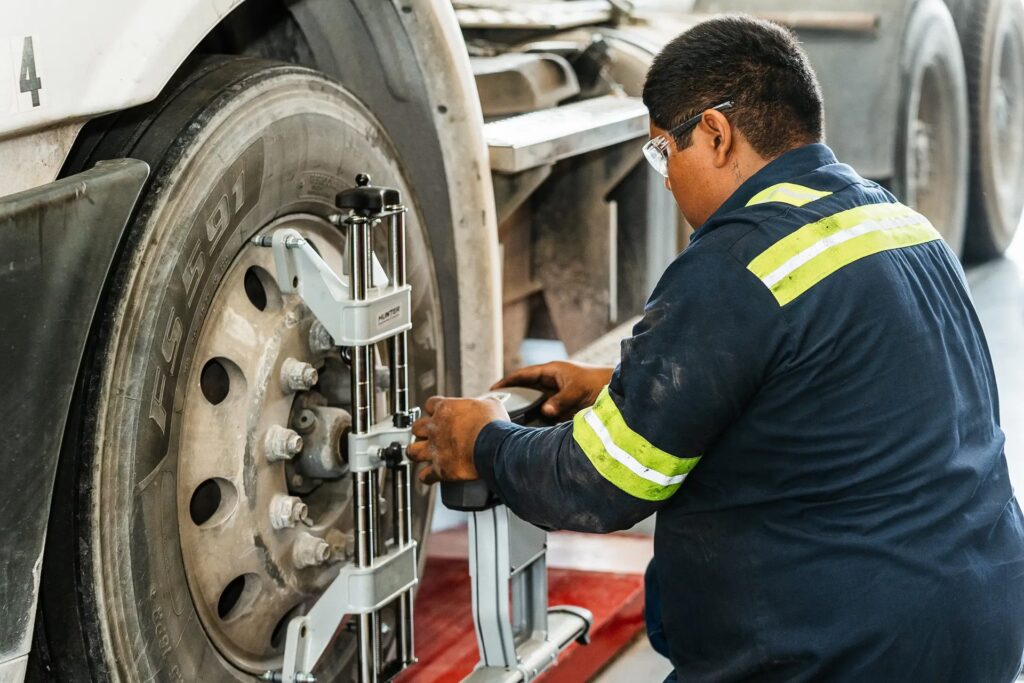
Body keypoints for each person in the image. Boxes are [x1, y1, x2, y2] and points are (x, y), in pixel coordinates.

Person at [407, 14, 1024, 681]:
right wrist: (623, 386)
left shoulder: (735, 263)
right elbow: (824, 390)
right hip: (981, 627)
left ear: (715, 133)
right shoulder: (902, 226)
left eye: (662, 153)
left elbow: (603, 482)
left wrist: (483, 443)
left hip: (846, 653)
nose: (666, 180)